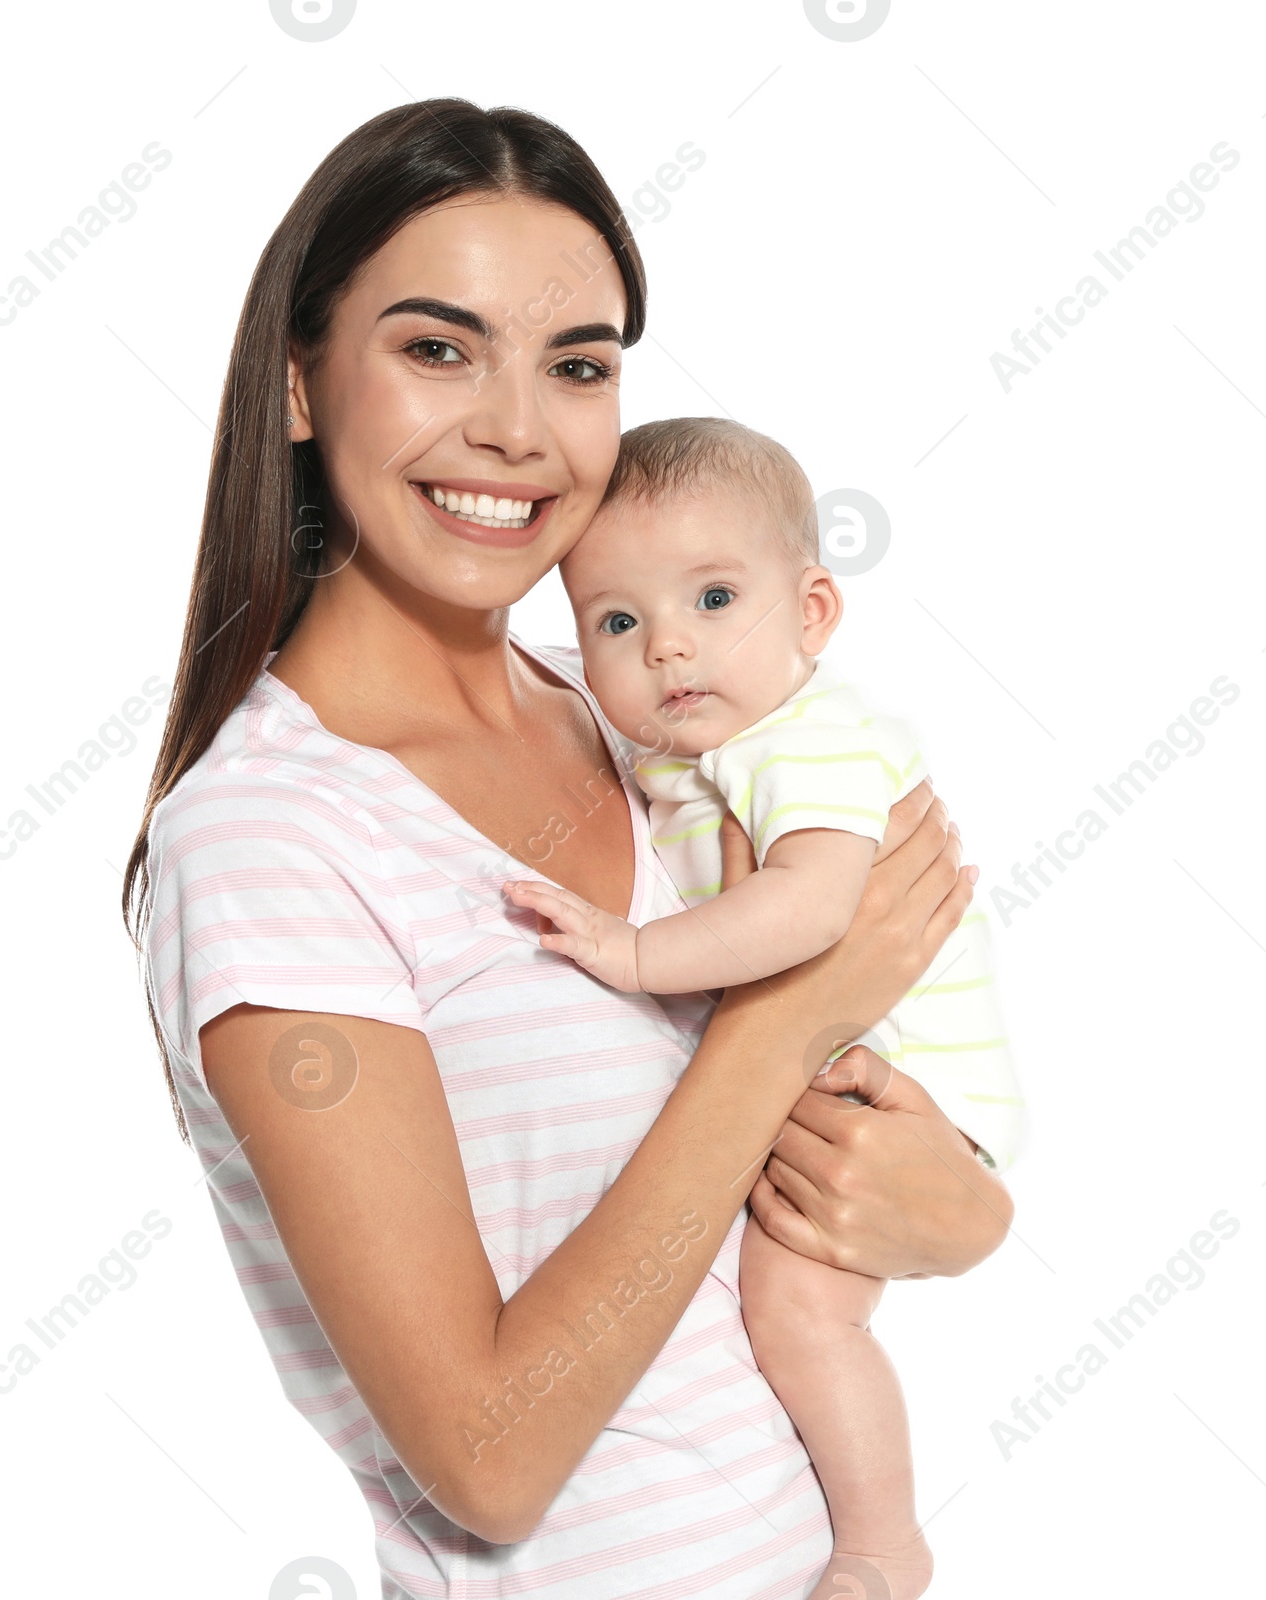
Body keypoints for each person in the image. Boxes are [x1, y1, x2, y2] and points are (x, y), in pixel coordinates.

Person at [123, 97, 1018, 1599]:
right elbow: (485, 1454)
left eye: (578, 365)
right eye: (436, 349)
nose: (518, 428)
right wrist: (789, 1008)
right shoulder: (272, 838)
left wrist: (960, 1209)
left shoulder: (644, 718)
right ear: (296, 384)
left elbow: (897, 1161)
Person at [506, 415, 1027, 1597]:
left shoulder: (811, 740)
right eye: (619, 622)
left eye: (714, 600)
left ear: (812, 614)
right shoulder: (685, 758)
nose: (670, 650)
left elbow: (808, 908)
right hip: (818, 1070)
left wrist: (638, 955)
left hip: (900, 1087)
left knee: (796, 1312)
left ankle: (887, 1544)